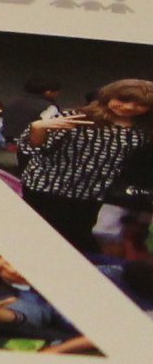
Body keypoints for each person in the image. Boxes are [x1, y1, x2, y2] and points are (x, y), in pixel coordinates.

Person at [19, 79, 153, 254]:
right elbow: (32, 149)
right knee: (36, 237)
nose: (129, 107)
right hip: (48, 188)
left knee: (75, 241)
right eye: (123, 100)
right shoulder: (77, 117)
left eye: (141, 104)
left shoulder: (143, 129)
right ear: (108, 96)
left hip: (92, 193)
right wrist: (38, 128)